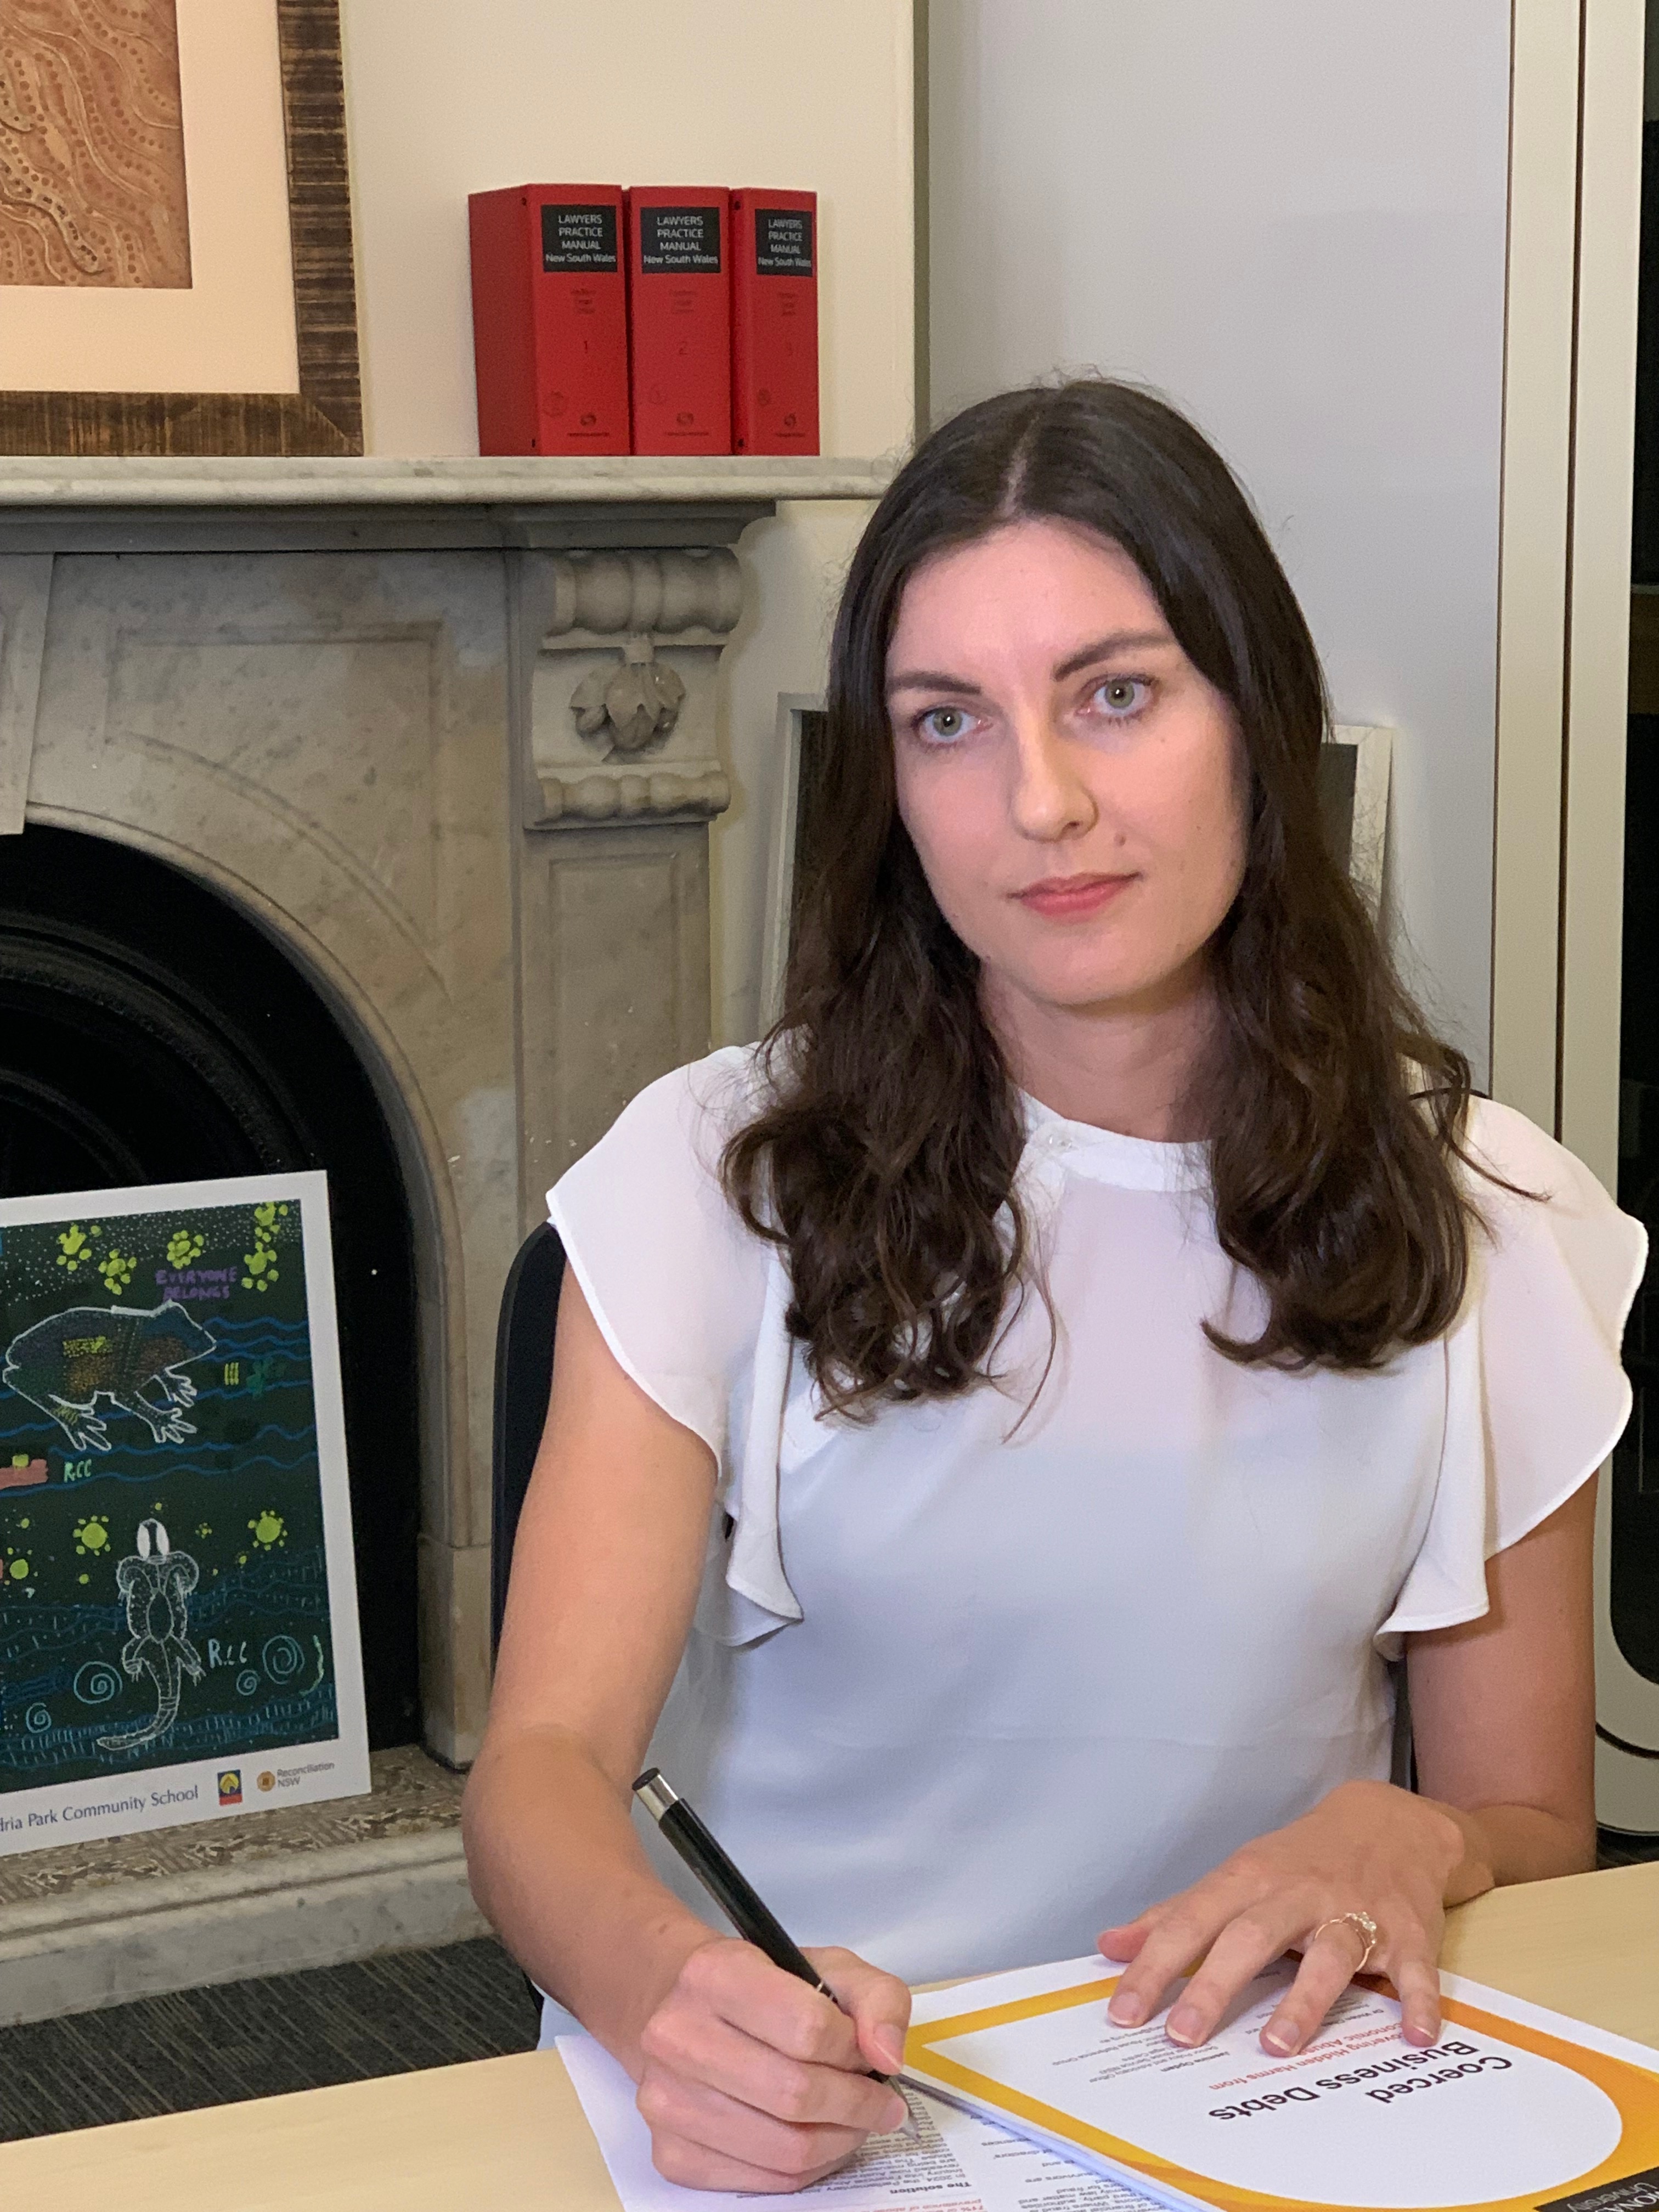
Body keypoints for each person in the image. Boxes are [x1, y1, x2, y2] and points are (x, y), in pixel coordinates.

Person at [462, 379, 1645, 2194]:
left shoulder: (1494, 1220)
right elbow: (539, 1769)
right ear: (894, 790)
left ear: (1255, 717)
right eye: (949, 723)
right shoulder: (711, 1178)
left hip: (1257, 2097)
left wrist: (1407, 1835)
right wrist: (674, 1994)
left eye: (1116, 692)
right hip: (819, 2120)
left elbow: (1536, 1825)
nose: (1043, 802)